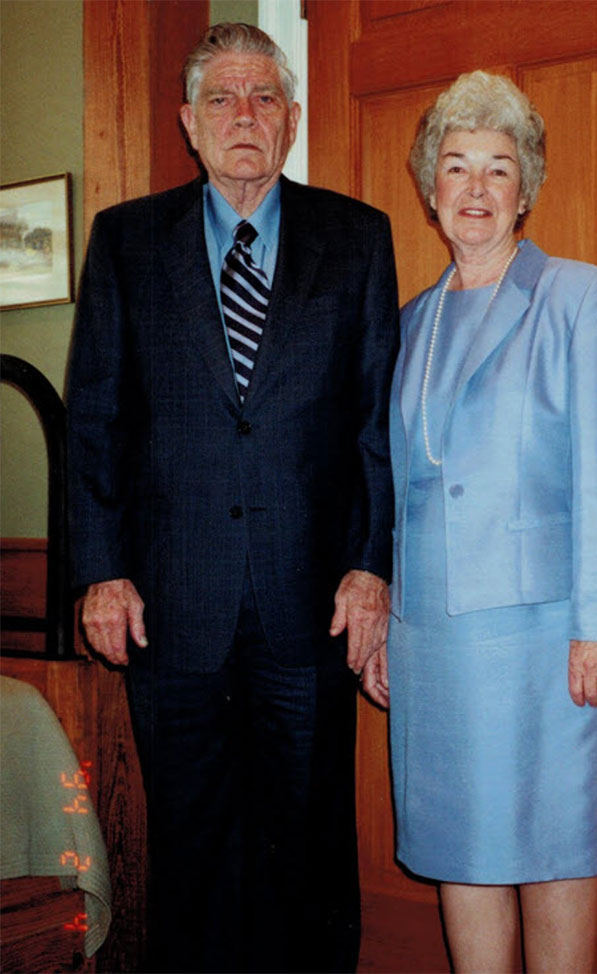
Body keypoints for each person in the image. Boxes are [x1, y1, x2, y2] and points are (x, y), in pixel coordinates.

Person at [67, 23, 398, 974]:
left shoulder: (357, 236)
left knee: (311, 855)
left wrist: (372, 566)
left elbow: (378, 424)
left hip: (315, 611)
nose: (243, 116)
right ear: (188, 122)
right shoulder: (126, 241)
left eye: (263, 99)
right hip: (171, 611)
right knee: (193, 853)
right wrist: (100, 572)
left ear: (291, 120)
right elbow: (96, 421)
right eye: (222, 98)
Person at [362, 71, 597, 972]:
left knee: (554, 843)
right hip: (434, 635)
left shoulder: (580, 297)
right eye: (455, 167)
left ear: (526, 189)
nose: (475, 190)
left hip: (544, 630)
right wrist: (387, 622)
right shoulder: (409, 321)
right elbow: (398, 489)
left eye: (497, 168)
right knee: (459, 848)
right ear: (428, 188)